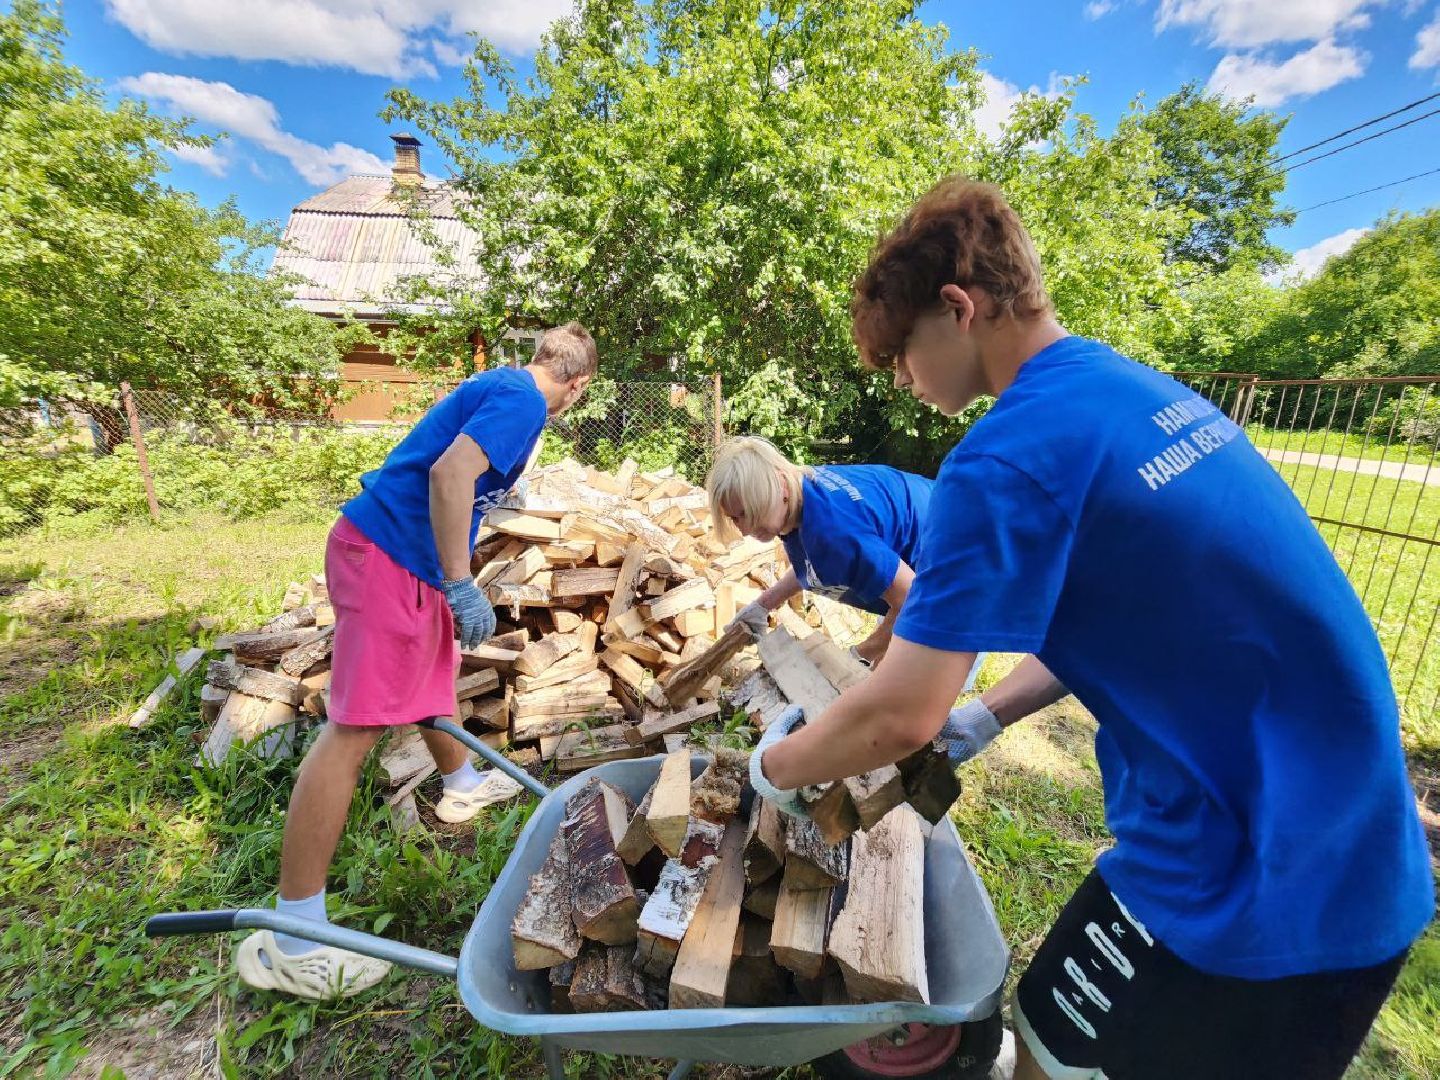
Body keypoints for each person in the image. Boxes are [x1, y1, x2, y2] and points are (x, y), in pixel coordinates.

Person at [747, 178, 1432, 1079]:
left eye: (901, 356)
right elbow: (1123, 620)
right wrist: (991, 714)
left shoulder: (1005, 456)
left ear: (958, 308)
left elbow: (897, 716)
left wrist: (777, 768)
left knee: (1043, 1062)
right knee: (1038, 1040)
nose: (904, 384)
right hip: (1356, 836)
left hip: (1261, 870)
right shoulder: (1131, 391)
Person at [235, 323, 597, 1001]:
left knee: (435, 673)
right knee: (352, 732)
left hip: (409, 562)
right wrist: (460, 579)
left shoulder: (507, 386)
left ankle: (460, 787)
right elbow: (450, 472)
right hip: (384, 558)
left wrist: (446, 579)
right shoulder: (524, 401)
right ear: (577, 384)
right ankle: (294, 938)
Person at [706, 435, 979, 686]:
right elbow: (812, 564)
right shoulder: (800, 494)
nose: (743, 529)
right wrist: (763, 604)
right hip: (929, 555)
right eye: (735, 518)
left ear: (779, 487)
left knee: (922, 701)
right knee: (885, 685)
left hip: (966, 559)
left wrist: (857, 656)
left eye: (747, 514)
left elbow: (911, 599)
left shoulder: (836, 531)